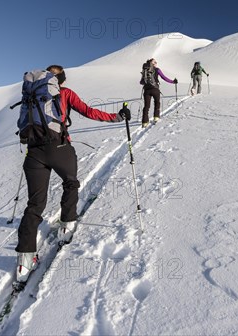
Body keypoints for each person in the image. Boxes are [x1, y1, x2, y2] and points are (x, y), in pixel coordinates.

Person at [15, 65, 131, 283]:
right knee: (70, 183)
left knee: (35, 204)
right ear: (62, 80)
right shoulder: (65, 93)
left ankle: (24, 261)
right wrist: (118, 117)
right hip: (59, 149)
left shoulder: (30, 95)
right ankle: (67, 224)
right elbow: (89, 112)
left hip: (33, 153)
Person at [140, 58, 177, 128]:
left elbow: (141, 82)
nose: (156, 63)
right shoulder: (157, 69)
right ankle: (156, 117)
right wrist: (173, 81)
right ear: (152, 63)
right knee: (157, 103)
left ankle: (144, 122)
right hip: (155, 89)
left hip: (146, 90)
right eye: (155, 62)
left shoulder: (145, 70)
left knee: (146, 106)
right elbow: (164, 77)